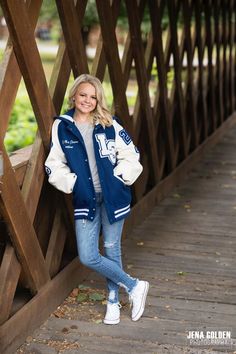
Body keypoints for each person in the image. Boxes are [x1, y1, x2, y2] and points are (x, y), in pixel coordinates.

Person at [45, 74, 149, 325]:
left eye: (93, 96)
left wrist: (118, 178)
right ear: (74, 96)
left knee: (112, 248)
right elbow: (53, 163)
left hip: (113, 195)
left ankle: (113, 301)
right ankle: (134, 286)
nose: (87, 100)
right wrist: (73, 184)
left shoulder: (109, 123)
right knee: (88, 255)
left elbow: (132, 155)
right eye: (83, 95)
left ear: (98, 99)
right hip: (85, 198)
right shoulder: (62, 125)